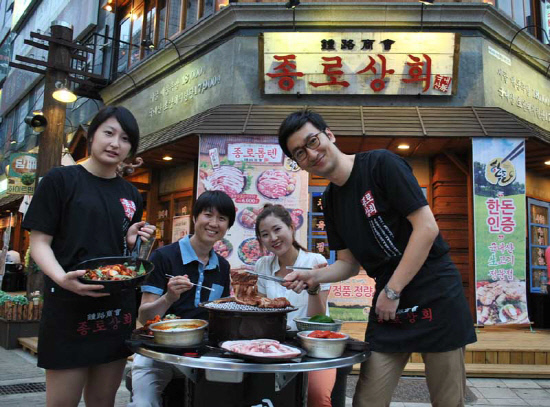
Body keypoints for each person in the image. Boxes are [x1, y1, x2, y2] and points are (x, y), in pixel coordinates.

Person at [277, 110, 476, 407]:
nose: (311, 154)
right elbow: (348, 264)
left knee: (448, 400)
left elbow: (427, 228)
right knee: (368, 400)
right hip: (388, 304)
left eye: (313, 141)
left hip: (435, 291)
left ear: (329, 135)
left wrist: (393, 290)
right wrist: (312, 276)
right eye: (300, 153)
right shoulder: (330, 200)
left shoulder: (381, 164)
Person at [22, 106, 155, 407]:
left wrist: (130, 241)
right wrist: (61, 278)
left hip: (115, 311)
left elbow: (122, 255)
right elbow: (39, 242)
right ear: (92, 135)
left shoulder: (132, 195)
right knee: (62, 403)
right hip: (69, 306)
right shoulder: (60, 180)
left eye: (125, 139)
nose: (115, 143)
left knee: (103, 402)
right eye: (109, 133)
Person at [129, 190, 236, 407]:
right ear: (195, 217)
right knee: (144, 403)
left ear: (228, 226)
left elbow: (219, 317)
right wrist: (169, 297)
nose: (213, 223)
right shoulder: (164, 256)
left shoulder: (223, 266)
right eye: (208, 215)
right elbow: (144, 316)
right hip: (159, 351)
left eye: (222, 218)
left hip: (201, 353)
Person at [254, 203, 335, 407]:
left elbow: (318, 320)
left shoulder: (315, 261)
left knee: (317, 396)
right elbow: (260, 311)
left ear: (291, 228)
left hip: (314, 344)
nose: (273, 238)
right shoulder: (262, 266)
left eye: (277, 229)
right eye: (265, 234)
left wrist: (313, 288)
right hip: (276, 344)